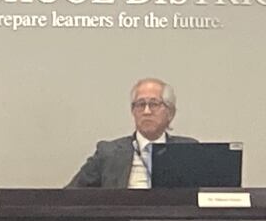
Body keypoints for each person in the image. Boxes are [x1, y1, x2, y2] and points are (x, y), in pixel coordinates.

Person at [67, 78, 196, 188]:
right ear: (133, 112)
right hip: (122, 215)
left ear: (170, 113)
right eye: (140, 105)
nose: (146, 111)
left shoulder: (188, 150)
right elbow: (69, 197)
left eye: (154, 104)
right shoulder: (108, 153)